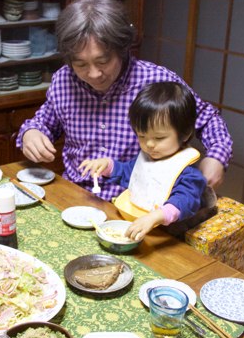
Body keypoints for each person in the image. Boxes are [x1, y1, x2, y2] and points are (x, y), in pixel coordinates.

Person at [17, 0, 232, 202]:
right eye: (81, 64)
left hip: (137, 203)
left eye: (103, 61)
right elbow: (43, 123)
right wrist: (31, 133)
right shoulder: (64, 80)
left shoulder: (157, 82)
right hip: (75, 197)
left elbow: (208, 118)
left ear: (122, 48)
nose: (93, 74)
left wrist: (216, 157)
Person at [79, 82, 209, 240]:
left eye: (159, 137)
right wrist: (106, 166)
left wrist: (155, 217)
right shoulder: (148, 158)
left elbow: (185, 201)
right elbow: (129, 173)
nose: (149, 144)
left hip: (171, 236)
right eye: (142, 136)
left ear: (186, 133)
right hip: (140, 227)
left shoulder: (188, 172)